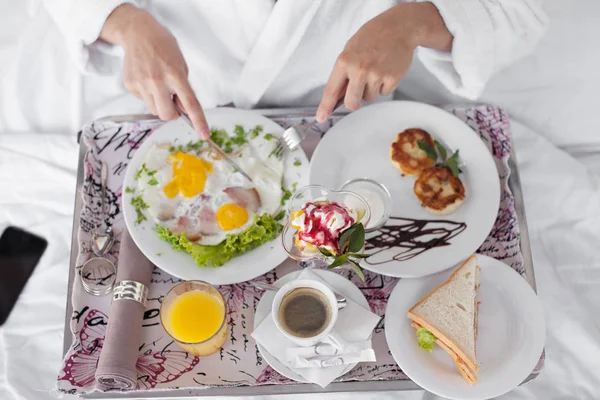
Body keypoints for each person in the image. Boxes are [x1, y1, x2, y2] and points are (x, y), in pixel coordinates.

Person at [44, 1, 547, 138]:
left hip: (346, 127)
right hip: (183, 118)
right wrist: (123, 21)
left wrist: (414, 22)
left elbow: (521, 14)